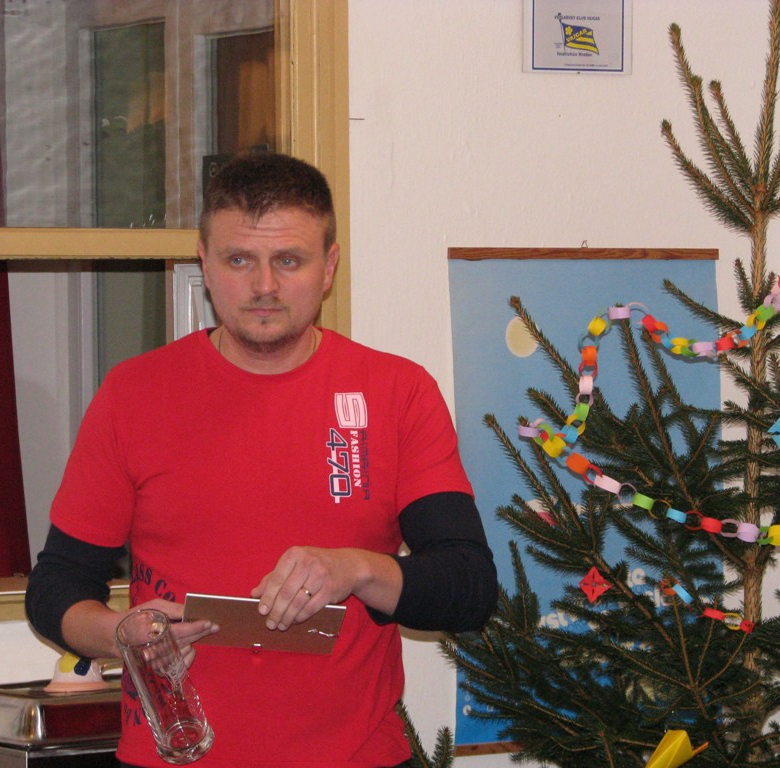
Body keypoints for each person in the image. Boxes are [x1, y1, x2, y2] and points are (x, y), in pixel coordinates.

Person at [25, 152, 498, 768]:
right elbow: (56, 586)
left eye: (289, 261)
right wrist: (120, 635)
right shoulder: (134, 394)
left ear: (328, 267)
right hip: (174, 754)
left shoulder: (397, 392)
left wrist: (356, 569)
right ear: (205, 262)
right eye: (239, 260)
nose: (264, 286)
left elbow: (468, 586)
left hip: (356, 758)